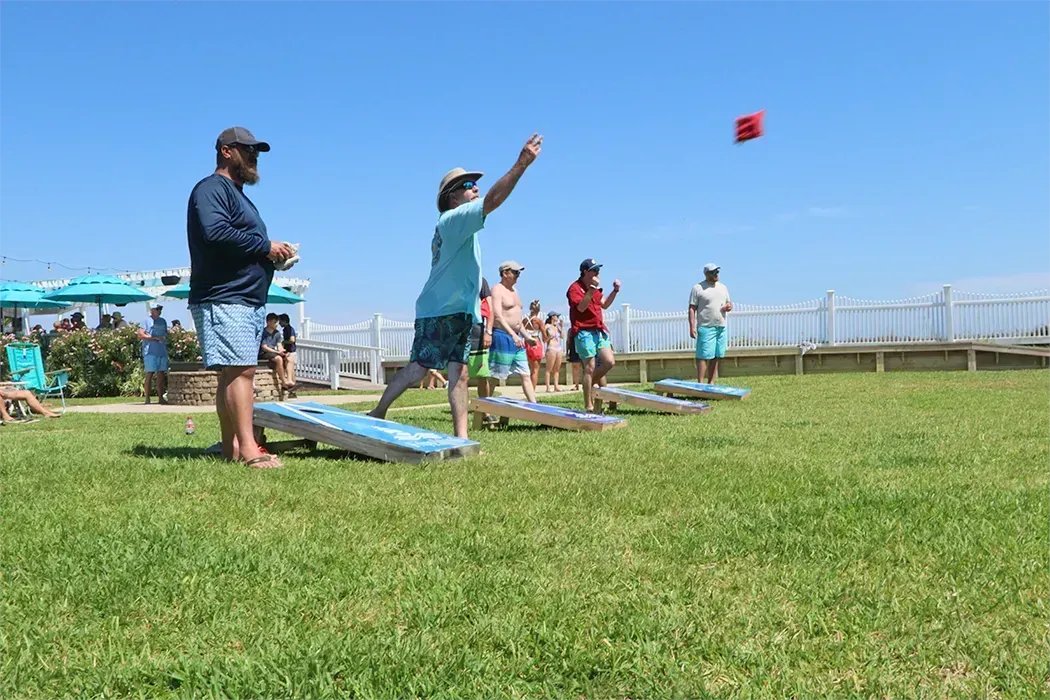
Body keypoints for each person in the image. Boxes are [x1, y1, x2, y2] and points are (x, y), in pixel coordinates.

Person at [369, 134, 543, 438]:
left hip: (459, 310)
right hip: (439, 309)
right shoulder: (453, 219)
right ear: (452, 197)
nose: (475, 187)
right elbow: (492, 201)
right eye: (467, 185)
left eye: (474, 183)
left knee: (460, 374)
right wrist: (522, 164)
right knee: (418, 370)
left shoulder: (460, 225)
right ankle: (379, 411)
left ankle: (461, 439)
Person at [187, 126, 296, 469]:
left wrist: (273, 255)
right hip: (224, 296)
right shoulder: (211, 189)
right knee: (241, 372)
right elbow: (215, 232)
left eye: (257, 152)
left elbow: (236, 239)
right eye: (248, 150)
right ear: (225, 151)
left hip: (245, 299)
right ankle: (249, 451)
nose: (254, 157)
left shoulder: (238, 196)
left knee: (233, 374)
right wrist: (266, 246)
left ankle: (231, 448)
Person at [567, 258, 621, 412]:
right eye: (594, 270)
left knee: (609, 361)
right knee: (589, 368)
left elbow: (604, 304)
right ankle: (588, 405)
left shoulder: (596, 289)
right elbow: (581, 308)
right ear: (585, 272)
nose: (598, 273)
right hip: (583, 331)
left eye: (598, 270)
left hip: (599, 330)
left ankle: (588, 386)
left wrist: (615, 291)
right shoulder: (574, 288)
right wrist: (590, 291)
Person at [489, 261, 539, 403]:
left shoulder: (515, 291)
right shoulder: (497, 289)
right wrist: (512, 334)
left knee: (525, 373)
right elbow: (498, 315)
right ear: (505, 273)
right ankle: (485, 407)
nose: (518, 275)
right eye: (515, 272)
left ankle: (534, 405)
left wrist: (526, 336)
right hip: (502, 336)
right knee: (495, 375)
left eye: (519, 272)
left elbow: (517, 319)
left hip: (517, 339)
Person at [688, 262, 733, 384]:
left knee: (717, 355)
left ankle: (711, 382)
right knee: (703, 355)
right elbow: (692, 308)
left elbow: (729, 303)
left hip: (721, 327)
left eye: (717, 272)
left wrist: (728, 307)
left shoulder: (723, 287)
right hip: (706, 326)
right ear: (706, 274)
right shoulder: (698, 288)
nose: (716, 274)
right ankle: (700, 383)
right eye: (713, 272)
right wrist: (692, 326)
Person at [138, 302, 169, 404]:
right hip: (150, 352)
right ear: (152, 310)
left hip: (161, 351)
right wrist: (153, 338)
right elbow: (140, 334)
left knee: (161, 374)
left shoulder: (163, 321)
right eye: (157, 309)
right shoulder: (146, 321)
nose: (159, 311)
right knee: (149, 374)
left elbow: (165, 333)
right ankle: (147, 398)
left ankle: (161, 398)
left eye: (160, 309)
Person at [259, 312, 294, 391]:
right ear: (268, 322)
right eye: (275, 322)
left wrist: (283, 351)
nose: (277, 324)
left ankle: (289, 380)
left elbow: (279, 345)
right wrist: (278, 353)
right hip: (264, 353)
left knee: (290, 358)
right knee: (279, 359)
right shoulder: (263, 333)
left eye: (277, 322)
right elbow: (264, 347)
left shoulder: (277, 333)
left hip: (274, 352)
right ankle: (283, 381)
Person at [523, 299, 546, 391]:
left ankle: (528, 388)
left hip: (527, 343)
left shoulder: (524, 320)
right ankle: (532, 390)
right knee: (535, 370)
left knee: (528, 368)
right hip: (536, 343)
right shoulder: (538, 321)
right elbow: (544, 337)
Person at [544, 311, 564, 392]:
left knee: (557, 369)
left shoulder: (557, 326)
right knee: (549, 369)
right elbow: (544, 339)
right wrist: (549, 337)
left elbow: (562, 336)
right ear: (552, 317)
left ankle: (556, 386)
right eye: (556, 316)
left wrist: (561, 327)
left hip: (558, 348)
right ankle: (548, 387)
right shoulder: (547, 326)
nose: (557, 318)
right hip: (551, 348)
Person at [277, 313, 297, 390]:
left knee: (289, 366)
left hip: (291, 351)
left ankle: (290, 382)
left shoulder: (289, 329)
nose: (279, 323)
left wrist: (283, 342)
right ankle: (292, 385)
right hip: (289, 351)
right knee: (291, 369)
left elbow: (292, 340)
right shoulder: (285, 329)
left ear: (284, 321)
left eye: (280, 321)